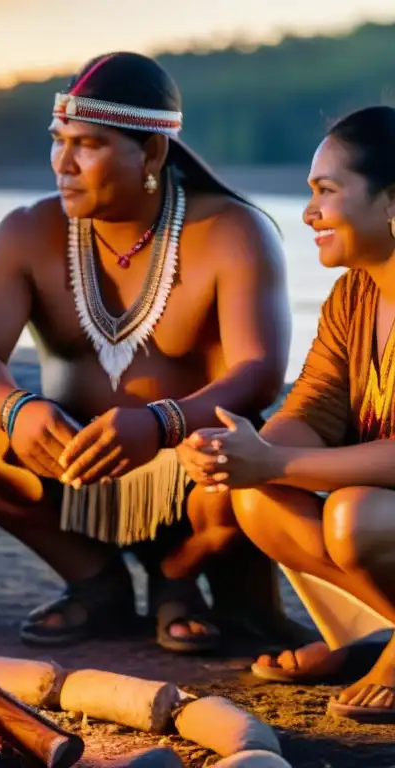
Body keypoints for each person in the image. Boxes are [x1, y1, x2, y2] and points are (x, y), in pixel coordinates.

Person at [0, 51, 292, 653]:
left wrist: (160, 423)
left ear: (151, 153)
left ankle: (177, 580)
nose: (63, 164)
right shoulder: (27, 231)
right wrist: (17, 411)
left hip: (191, 476)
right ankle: (96, 584)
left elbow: (259, 375)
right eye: (58, 140)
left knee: (245, 454)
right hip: (71, 467)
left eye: (88, 145)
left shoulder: (232, 231)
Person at [181, 105, 395, 723]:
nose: (308, 214)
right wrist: (244, 453)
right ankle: (369, 637)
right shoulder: (354, 293)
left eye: (326, 192)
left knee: (354, 517)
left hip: (380, 514)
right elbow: (312, 409)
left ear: (391, 201)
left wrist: (275, 458)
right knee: (256, 496)